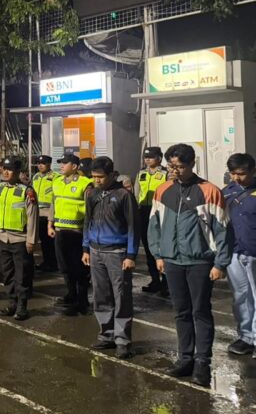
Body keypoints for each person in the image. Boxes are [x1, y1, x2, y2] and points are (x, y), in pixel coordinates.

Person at [149, 143, 232, 387]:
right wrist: (158, 255)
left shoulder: (209, 191)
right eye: (172, 166)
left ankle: (202, 364)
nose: (175, 171)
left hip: (200, 262)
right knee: (181, 312)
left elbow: (223, 230)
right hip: (172, 261)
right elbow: (154, 226)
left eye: (180, 166)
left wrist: (220, 263)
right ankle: (185, 359)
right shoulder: (163, 190)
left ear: (192, 164)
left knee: (201, 312)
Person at [82, 156, 139, 359]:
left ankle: (123, 340)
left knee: (121, 296)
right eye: (94, 176)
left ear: (112, 174)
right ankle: (106, 334)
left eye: (101, 177)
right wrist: (86, 249)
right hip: (96, 251)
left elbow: (133, 226)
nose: (97, 180)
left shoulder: (124, 195)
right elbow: (87, 221)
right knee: (101, 294)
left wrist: (131, 255)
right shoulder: (91, 194)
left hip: (117, 253)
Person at [0, 156, 38, 321]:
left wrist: (31, 240)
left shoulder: (27, 191)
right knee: (7, 273)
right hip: (3, 238)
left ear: (18, 172)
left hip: (20, 240)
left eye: (9, 169)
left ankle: (22, 306)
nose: (5, 172)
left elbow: (32, 217)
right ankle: (12, 303)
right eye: (4, 169)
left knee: (22, 275)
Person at [49, 153, 93, 315]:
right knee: (64, 267)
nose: (61, 166)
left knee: (79, 268)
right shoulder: (57, 182)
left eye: (64, 163)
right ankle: (71, 294)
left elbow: (90, 210)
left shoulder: (85, 184)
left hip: (77, 232)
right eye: (60, 163)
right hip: (60, 231)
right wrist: (50, 224)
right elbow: (54, 204)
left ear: (74, 166)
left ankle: (82, 300)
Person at [222, 153, 256, 358]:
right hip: (234, 253)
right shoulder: (226, 192)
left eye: (241, 174)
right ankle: (245, 337)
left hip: (254, 253)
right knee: (241, 297)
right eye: (233, 173)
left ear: (253, 171)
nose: (236, 178)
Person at [134, 147, 170, 296]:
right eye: (146, 157)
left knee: (162, 247)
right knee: (149, 246)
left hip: (159, 212)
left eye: (151, 157)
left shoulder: (165, 174)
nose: (148, 160)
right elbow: (136, 193)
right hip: (143, 211)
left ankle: (166, 283)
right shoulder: (141, 174)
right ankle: (155, 280)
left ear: (159, 158)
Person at [32, 155, 58, 272]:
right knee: (43, 240)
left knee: (50, 241)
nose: (40, 165)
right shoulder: (36, 177)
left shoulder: (55, 177)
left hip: (49, 213)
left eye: (43, 163)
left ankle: (53, 263)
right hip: (38, 213)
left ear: (49, 164)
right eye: (38, 163)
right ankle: (47, 262)